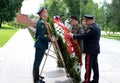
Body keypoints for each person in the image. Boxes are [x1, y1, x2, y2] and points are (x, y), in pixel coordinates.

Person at [65, 15, 101, 83]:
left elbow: (84, 36)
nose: (86, 22)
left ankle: (86, 81)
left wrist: (73, 36)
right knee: (95, 66)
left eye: (87, 20)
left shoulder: (91, 28)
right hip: (95, 50)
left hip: (90, 50)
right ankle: (95, 80)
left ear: (91, 20)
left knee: (88, 66)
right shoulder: (96, 26)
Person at [33, 7, 52, 83]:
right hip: (40, 45)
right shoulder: (41, 23)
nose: (47, 13)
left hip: (41, 45)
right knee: (37, 62)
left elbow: (43, 34)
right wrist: (49, 39)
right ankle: (36, 80)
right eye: (46, 12)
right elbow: (41, 36)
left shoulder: (42, 22)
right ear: (42, 13)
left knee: (38, 62)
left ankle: (37, 76)